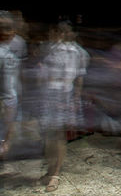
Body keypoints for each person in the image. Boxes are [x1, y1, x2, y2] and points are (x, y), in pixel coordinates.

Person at [37, 21, 89, 192]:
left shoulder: (75, 52)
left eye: (64, 31)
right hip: (46, 95)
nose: (61, 34)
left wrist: (74, 100)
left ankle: (56, 174)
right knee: (48, 135)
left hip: (62, 95)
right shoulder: (48, 48)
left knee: (58, 135)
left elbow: (77, 78)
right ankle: (50, 170)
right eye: (57, 31)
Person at [0, 13, 20, 160]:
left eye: (9, 28)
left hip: (9, 101)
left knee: (4, 140)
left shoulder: (10, 52)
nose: (7, 32)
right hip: (4, 101)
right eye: (3, 28)